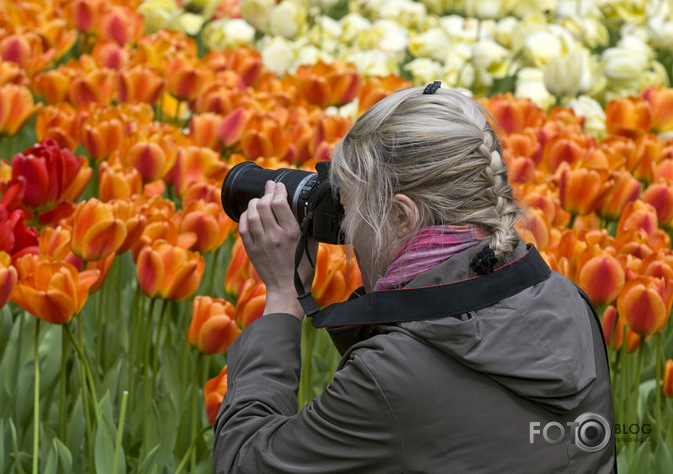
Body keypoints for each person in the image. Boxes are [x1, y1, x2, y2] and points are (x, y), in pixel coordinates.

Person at [212, 83, 616, 473]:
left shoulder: (389, 378)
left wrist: (283, 296)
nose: (346, 229)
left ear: (402, 217)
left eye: (349, 206)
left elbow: (244, 462)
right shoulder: (566, 299)